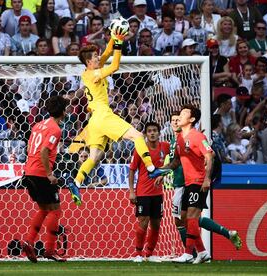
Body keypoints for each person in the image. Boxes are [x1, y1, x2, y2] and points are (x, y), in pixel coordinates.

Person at [73, 22, 170, 206]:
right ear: (89, 62)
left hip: (94, 120)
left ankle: (76, 182)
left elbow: (108, 53)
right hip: (103, 115)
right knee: (138, 135)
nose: (98, 57)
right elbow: (115, 65)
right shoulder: (94, 74)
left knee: (94, 157)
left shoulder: (90, 71)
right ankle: (151, 168)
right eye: (95, 56)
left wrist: (115, 38)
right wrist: (119, 45)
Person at [162, 105, 241, 264]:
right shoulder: (179, 138)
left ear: (191, 119)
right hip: (187, 182)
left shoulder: (198, 137)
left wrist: (206, 179)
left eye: (184, 113)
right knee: (184, 218)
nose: (180, 116)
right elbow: (176, 161)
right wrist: (161, 171)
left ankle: (188, 253)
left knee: (191, 217)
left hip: (198, 181)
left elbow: (209, 156)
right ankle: (203, 252)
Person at [22, 95, 69, 263]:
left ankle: (29, 240)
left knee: (44, 209)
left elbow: (29, 147)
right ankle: (50, 250)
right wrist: (49, 174)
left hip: (29, 172)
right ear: (63, 111)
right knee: (55, 210)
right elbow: (43, 151)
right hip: (42, 174)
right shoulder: (56, 129)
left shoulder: (38, 124)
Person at [129, 122, 169, 263]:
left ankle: (150, 253)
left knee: (156, 224)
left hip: (158, 193)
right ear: (145, 134)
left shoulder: (165, 147)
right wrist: (132, 191)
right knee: (143, 222)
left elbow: (173, 161)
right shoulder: (140, 148)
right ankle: (138, 254)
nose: (152, 133)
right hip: (143, 192)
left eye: (155, 131)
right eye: (149, 131)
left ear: (159, 133)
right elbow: (132, 170)